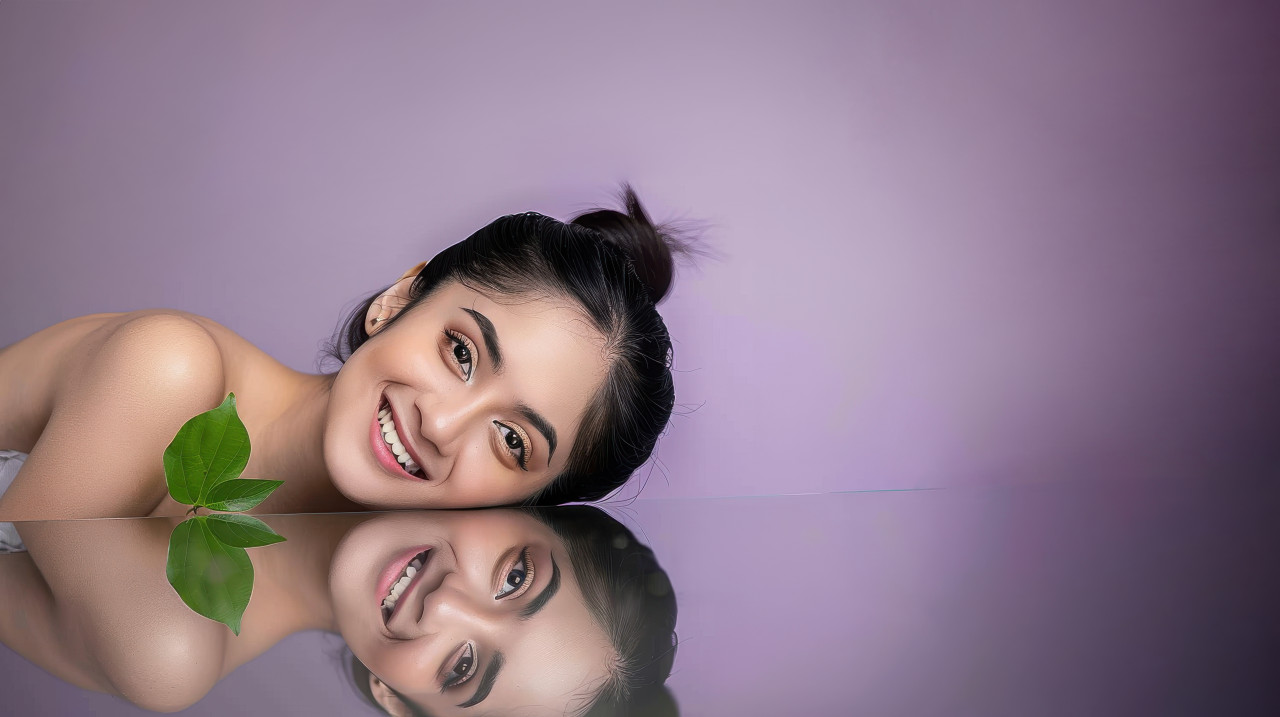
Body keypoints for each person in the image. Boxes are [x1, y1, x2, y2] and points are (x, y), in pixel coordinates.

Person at [0, 187, 691, 520]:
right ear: (401, 297)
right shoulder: (170, 370)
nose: (443, 426)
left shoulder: (377, 598)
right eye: (462, 353)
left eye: (511, 440)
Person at [0, 505, 679, 715]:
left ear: (392, 698)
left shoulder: (166, 655)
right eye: (515, 575)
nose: (445, 600)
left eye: (464, 665)